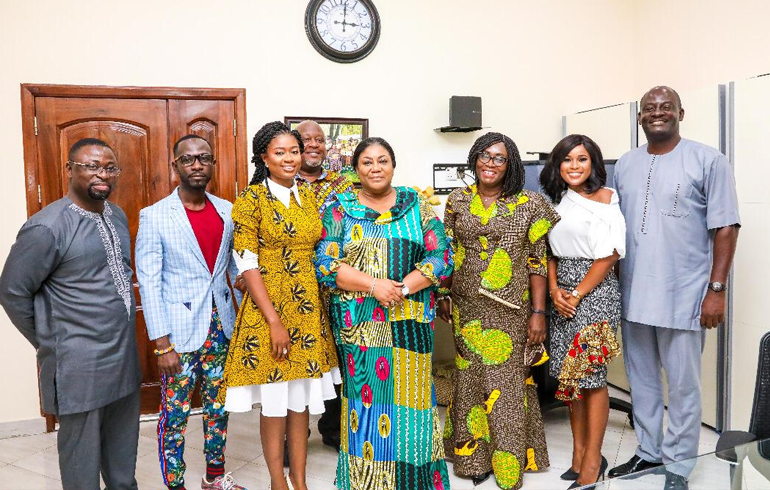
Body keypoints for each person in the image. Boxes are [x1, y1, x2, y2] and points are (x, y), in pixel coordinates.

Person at [609, 86, 740, 490]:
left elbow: (726, 225)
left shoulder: (708, 160)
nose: (657, 113)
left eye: (666, 107)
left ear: (681, 112)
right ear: (640, 117)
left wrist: (716, 289)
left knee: (683, 385)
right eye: (650, 108)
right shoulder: (626, 164)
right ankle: (649, 452)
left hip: (685, 293)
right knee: (642, 379)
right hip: (633, 293)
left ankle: (679, 465)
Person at [0, 138, 140, 490]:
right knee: (82, 464)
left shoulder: (116, 214)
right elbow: (12, 291)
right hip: (79, 366)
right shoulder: (47, 227)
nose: (102, 174)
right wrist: (51, 340)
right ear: (70, 170)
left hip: (122, 357)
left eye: (109, 167)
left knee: (123, 458)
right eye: (91, 166)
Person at [315, 137, 452, 490]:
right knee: (366, 404)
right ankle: (366, 483)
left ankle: (415, 482)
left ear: (393, 165)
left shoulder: (417, 206)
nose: (375, 168)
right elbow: (326, 263)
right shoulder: (339, 208)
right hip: (359, 325)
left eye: (382, 160)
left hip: (411, 323)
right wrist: (374, 285)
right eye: (367, 162)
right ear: (356, 169)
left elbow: (442, 257)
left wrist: (403, 287)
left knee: (413, 406)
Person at [219, 121, 340, 490]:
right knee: (274, 400)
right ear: (264, 158)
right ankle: (278, 481)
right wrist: (273, 320)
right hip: (268, 307)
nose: (289, 158)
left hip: (308, 307)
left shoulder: (310, 196)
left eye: (294, 151)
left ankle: (299, 481)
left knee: (300, 400)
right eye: (280, 152)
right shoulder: (251, 200)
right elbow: (246, 261)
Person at [438, 132, 556, 490]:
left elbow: (538, 262)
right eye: (485, 156)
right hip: (466, 308)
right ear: (474, 159)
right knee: (470, 382)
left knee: (506, 388)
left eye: (499, 158)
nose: (490, 163)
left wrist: (539, 313)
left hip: (512, 310)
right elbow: (449, 251)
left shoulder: (530, 203)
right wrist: (443, 291)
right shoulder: (457, 200)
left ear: (511, 165)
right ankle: (472, 459)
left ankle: (508, 468)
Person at [136, 135, 246, 490]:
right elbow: (149, 284)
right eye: (188, 159)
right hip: (178, 336)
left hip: (222, 329)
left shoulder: (228, 211)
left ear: (212, 164)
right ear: (176, 166)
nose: (197, 165)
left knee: (218, 410)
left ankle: (214, 478)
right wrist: (162, 345)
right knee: (176, 416)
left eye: (204, 158)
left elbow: (232, 270)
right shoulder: (154, 216)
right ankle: (176, 484)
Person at [539, 134, 625, 489]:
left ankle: (593, 461)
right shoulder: (555, 202)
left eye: (582, 159)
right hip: (563, 294)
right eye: (567, 160)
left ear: (594, 164)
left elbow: (611, 253)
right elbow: (550, 253)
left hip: (595, 293)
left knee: (592, 379)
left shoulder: (606, 198)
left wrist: (575, 293)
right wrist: (556, 290)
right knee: (570, 378)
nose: (574, 166)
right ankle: (578, 454)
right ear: (557, 165)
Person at [294, 120, 354, 451]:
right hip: (296, 287)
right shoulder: (280, 185)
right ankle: (295, 434)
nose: (315, 145)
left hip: (337, 288)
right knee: (298, 362)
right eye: (307, 140)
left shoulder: (345, 186)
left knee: (339, 361)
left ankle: (333, 429)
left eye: (320, 140)